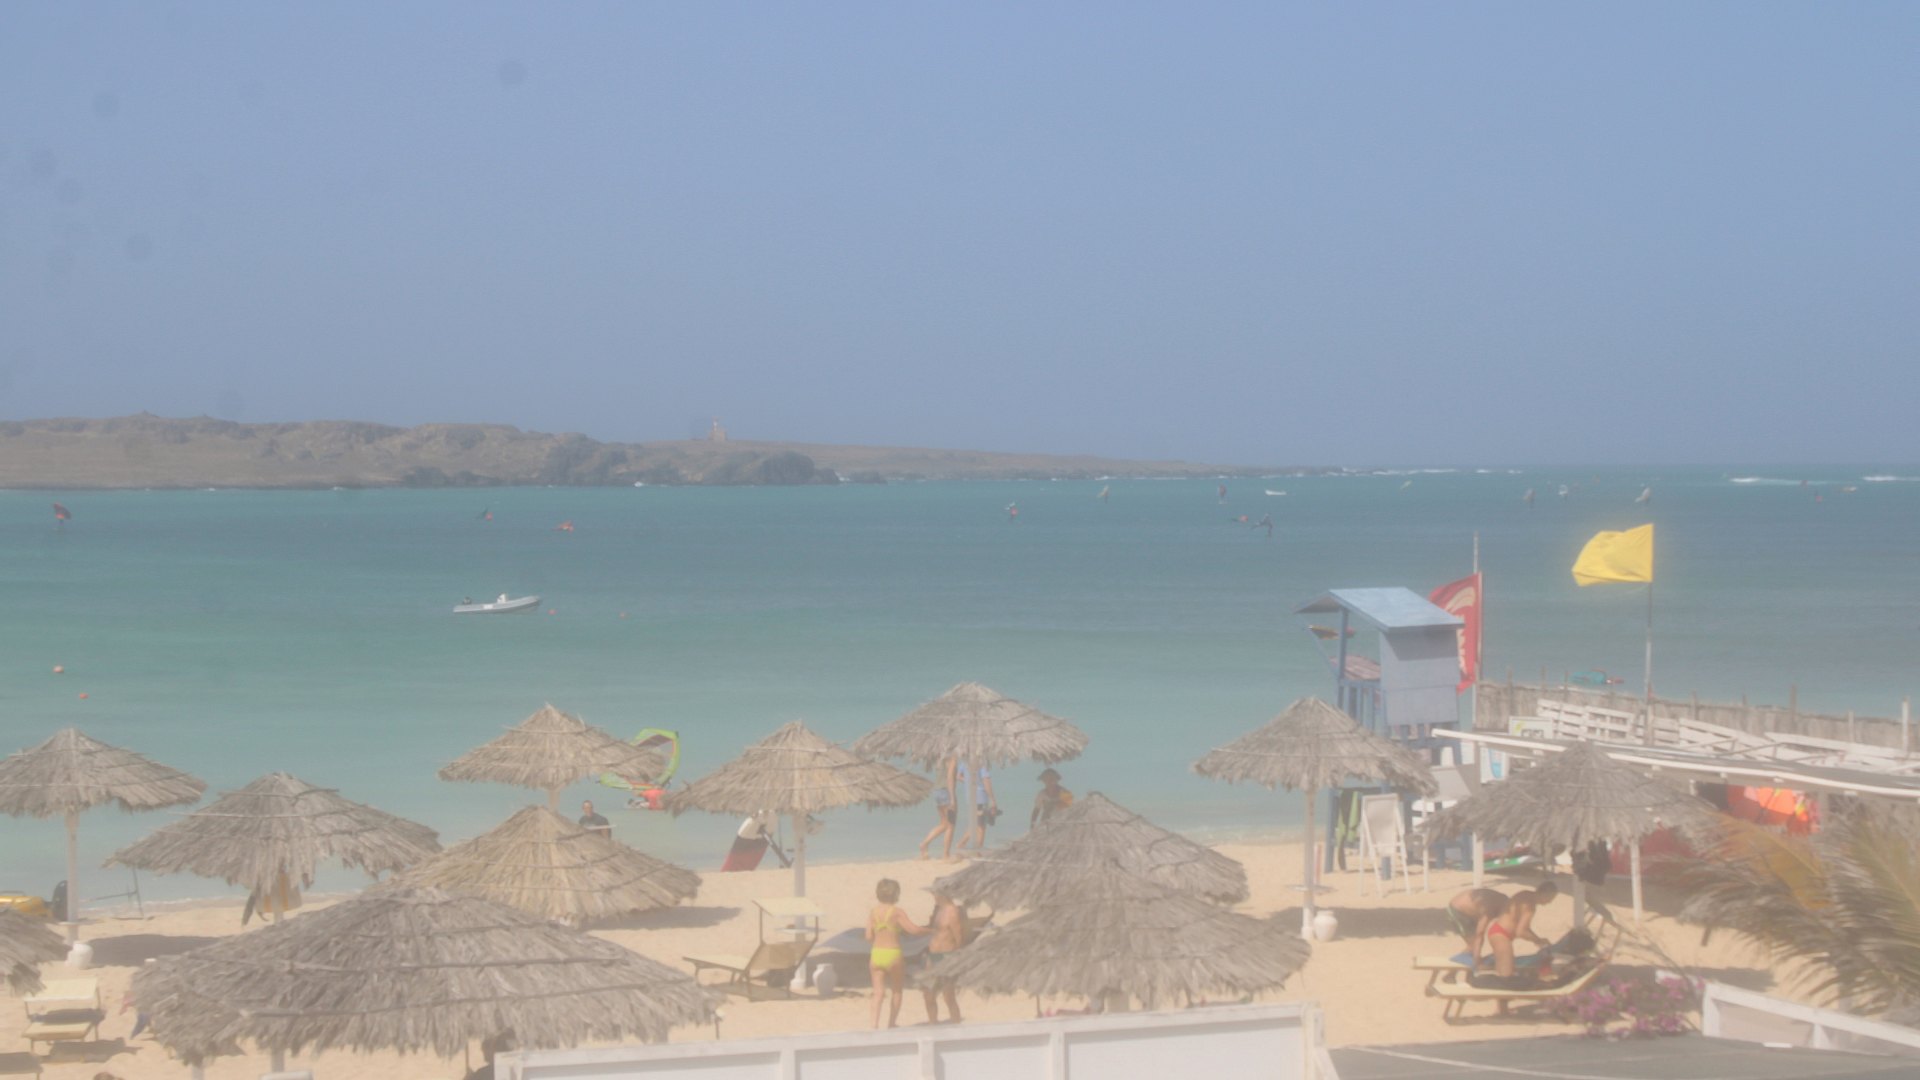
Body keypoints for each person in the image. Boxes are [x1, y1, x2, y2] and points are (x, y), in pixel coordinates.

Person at [867, 878, 927, 1029]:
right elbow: (914, 930)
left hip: (877, 953)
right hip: (893, 954)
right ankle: (891, 1024)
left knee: (878, 993)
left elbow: (868, 936)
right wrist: (930, 930)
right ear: (896, 894)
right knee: (897, 990)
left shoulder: (873, 912)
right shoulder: (897, 912)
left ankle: (873, 1025)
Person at [1484, 881, 1558, 980]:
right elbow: (1521, 931)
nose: (1550, 902)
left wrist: (1537, 939)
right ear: (1545, 894)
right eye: (1550, 898)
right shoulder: (1530, 906)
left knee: (1502, 971)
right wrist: (1538, 940)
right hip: (1501, 935)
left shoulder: (1524, 894)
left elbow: (1523, 927)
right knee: (1506, 975)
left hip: (1497, 931)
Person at [921, 888, 966, 1023]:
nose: (933, 896)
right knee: (928, 994)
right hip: (933, 956)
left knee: (948, 996)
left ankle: (956, 1023)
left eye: (935, 893)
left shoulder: (952, 911)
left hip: (947, 956)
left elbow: (958, 936)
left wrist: (957, 958)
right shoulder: (939, 909)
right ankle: (933, 1023)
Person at [1445, 887, 1511, 969]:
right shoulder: (1489, 910)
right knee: (1473, 945)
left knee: (1473, 946)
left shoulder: (1505, 901)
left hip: (1472, 907)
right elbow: (1480, 934)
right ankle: (1466, 963)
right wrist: (1478, 961)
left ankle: (1467, 962)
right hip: (1457, 910)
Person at [952, 759, 997, 854]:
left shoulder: (965, 762)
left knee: (976, 823)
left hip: (970, 796)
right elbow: (986, 781)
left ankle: (968, 847)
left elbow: (958, 776)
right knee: (981, 825)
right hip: (981, 797)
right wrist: (992, 799)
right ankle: (973, 849)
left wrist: (970, 782)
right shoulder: (982, 763)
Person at [919, 764, 957, 860]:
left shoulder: (939, 758)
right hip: (946, 791)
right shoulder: (952, 758)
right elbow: (949, 777)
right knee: (951, 825)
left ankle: (924, 844)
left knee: (944, 824)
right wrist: (952, 798)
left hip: (937, 791)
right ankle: (946, 855)